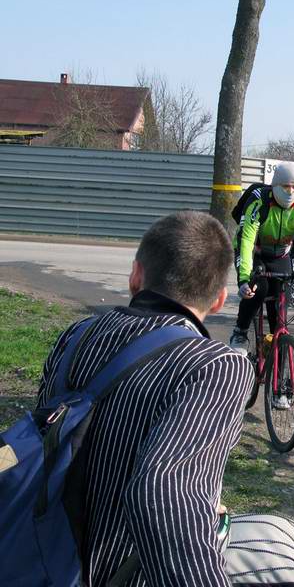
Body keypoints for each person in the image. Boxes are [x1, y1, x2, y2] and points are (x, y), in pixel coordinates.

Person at [35, 210, 252, 585]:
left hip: (38, 557)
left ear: (136, 275)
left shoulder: (77, 335)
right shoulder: (217, 366)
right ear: (219, 300)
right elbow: (165, 490)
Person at [230, 162, 294, 356]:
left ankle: (276, 358)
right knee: (259, 289)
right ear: (275, 185)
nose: (290, 191)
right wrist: (244, 279)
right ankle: (240, 332)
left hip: (280, 255)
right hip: (254, 254)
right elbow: (247, 240)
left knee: (279, 309)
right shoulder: (259, 201)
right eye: (285, 186)